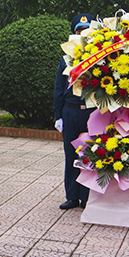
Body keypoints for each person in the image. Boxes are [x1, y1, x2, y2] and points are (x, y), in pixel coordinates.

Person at [53, 14, 94, 210]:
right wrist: (58, 115)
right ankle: (72, 196)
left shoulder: (100, 58)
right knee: (71, 155)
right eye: (79, 30)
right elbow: (59, 89)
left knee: (89, 154)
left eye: (86, 30)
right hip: (70, 111)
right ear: (74, 33)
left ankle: (86, 196)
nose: (82, 33)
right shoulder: (66, 59)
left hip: (90, 113)